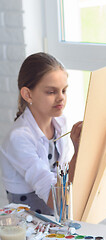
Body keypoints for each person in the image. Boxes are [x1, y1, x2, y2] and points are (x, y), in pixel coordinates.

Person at [0, 52, 82, 215]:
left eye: (64, 90)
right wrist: (79, 150)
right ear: (28, 94)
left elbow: (64, 176)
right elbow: (55, 198)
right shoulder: (19, 138)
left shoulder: (60, 122)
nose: (61, 98)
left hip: (55, 221)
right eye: (51, 92)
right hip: (30, 228)